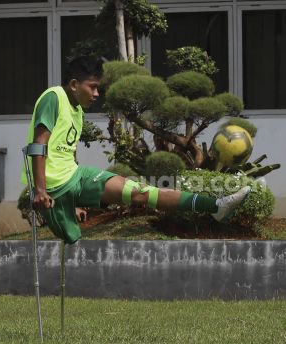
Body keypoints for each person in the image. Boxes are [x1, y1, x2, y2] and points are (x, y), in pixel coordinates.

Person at [22, 55, 250, 245]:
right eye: (92, 87)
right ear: (74, 85)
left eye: (98, 88)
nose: (96, 94)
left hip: (76, 177)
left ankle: (215, 206)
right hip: (52, 189)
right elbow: (38, 144)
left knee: (141, 192)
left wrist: (79, 199)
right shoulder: (54, 97)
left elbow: (67, 151)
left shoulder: (78, 112)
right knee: (72, 237)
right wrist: (41, 190)